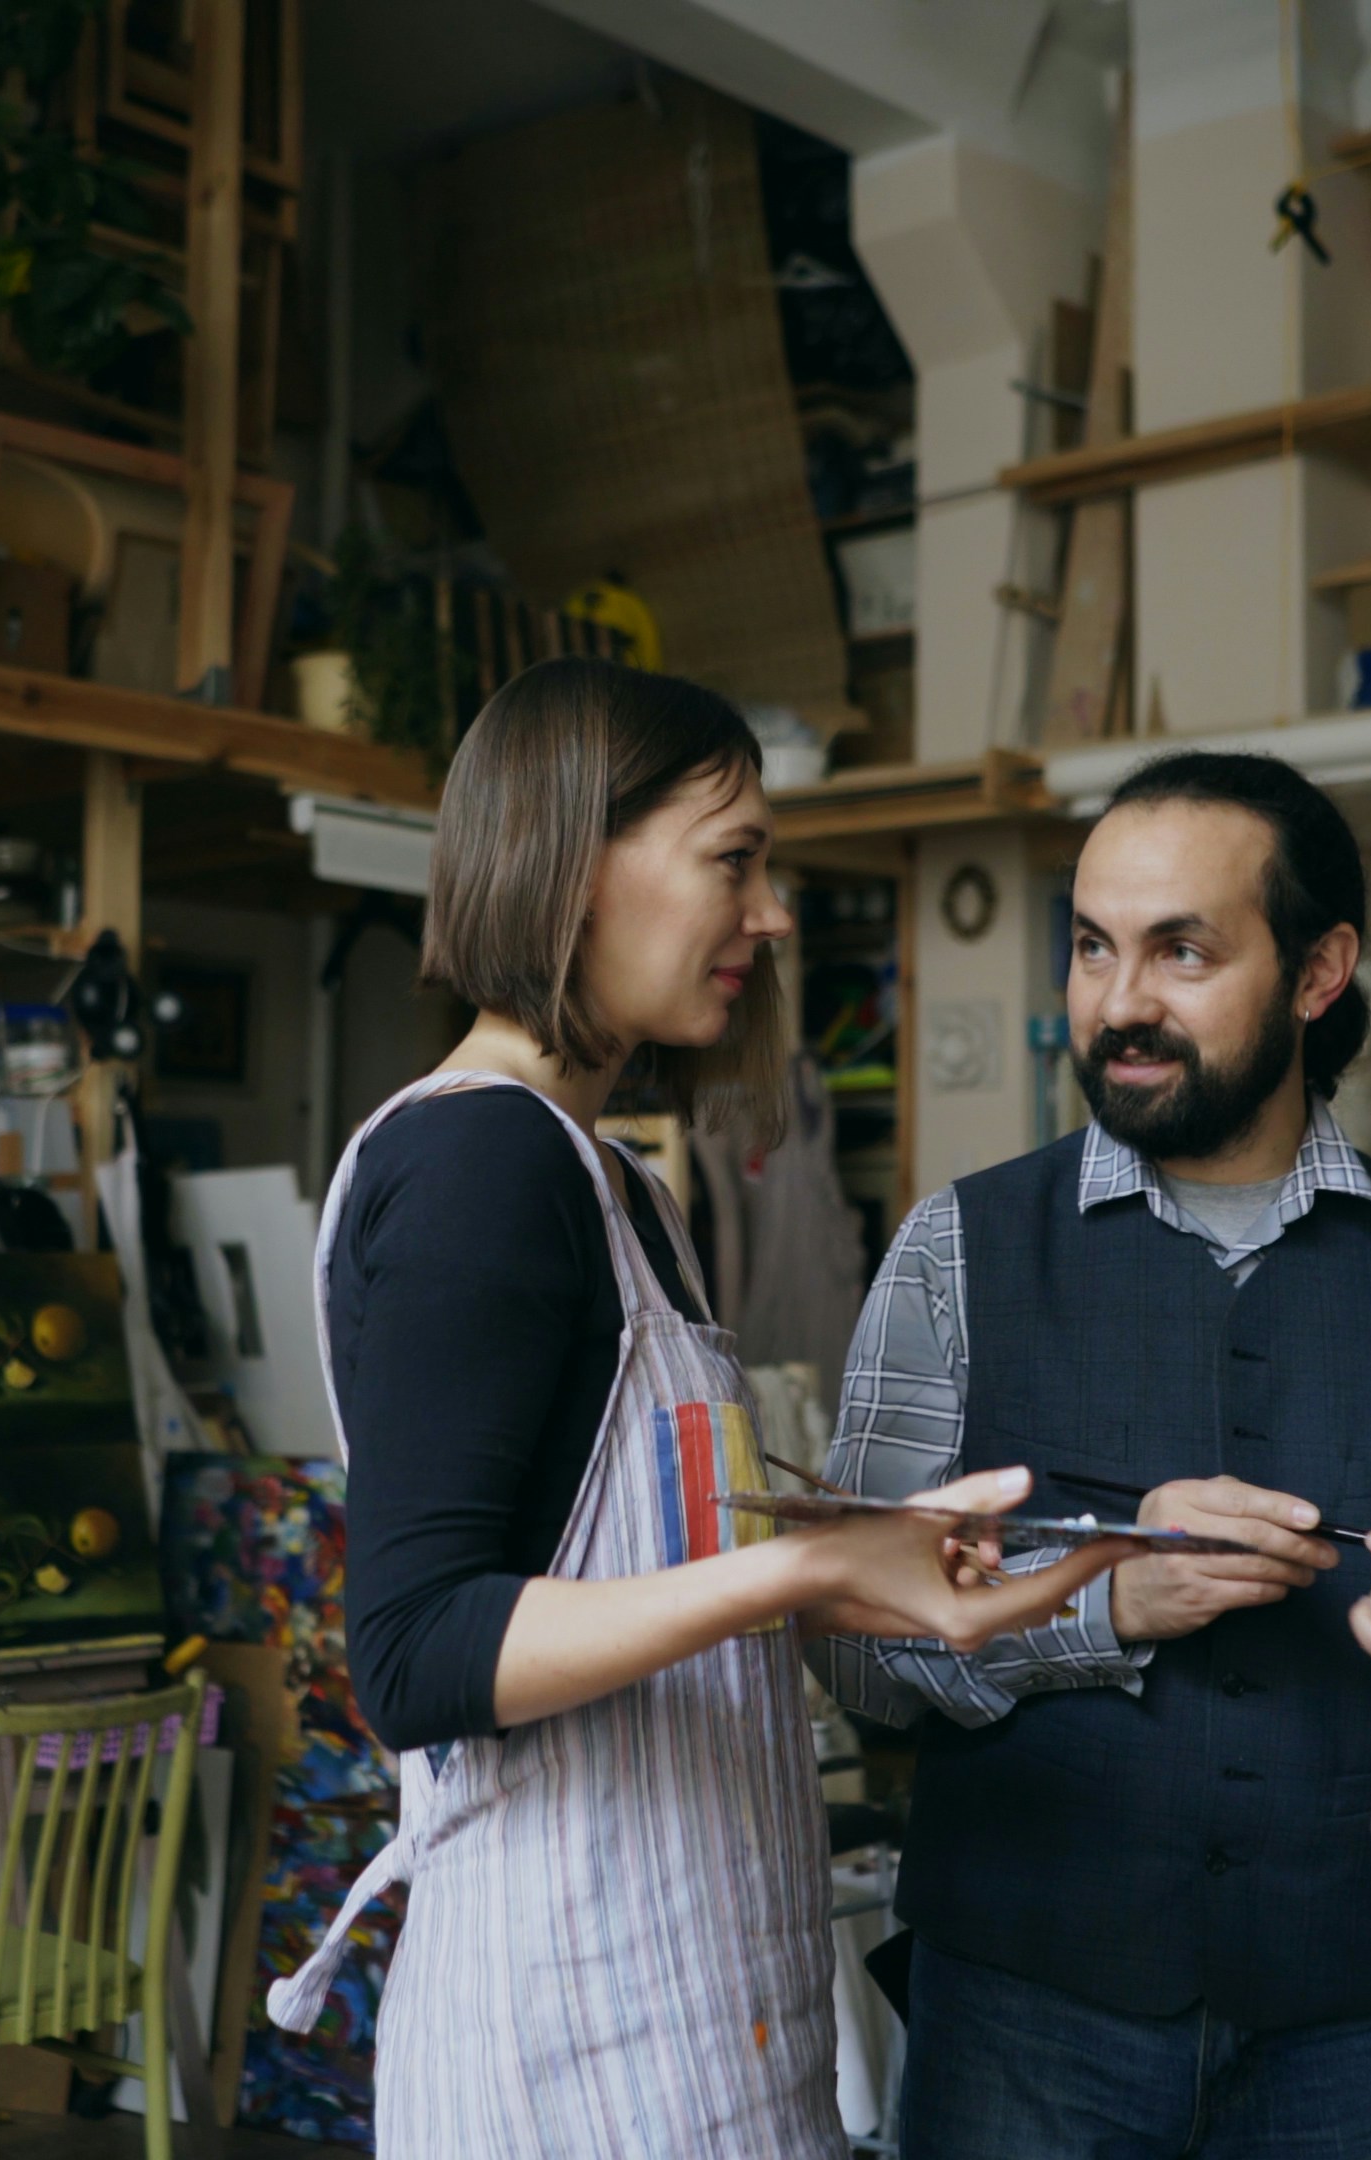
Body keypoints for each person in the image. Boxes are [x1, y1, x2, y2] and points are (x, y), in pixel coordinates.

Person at [269, 656, 1131, 2156]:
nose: (773, 914)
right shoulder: (482, 1165)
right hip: (565, 2041)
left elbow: (618, 1564)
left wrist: (877, 1569)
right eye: (734, 860)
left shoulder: (618, 1190)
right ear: (571, 863)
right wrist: (805, 1568)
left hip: (688, 2012)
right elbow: (413, 1652)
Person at [814, 750, 1371, 2160]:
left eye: (1183, 951)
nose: (1120, 1003)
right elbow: (850, 1647)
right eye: (1093, 947)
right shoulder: (953, 1253)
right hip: (1024, 2015)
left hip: (1349, 2024)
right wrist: (1095, 1604)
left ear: (1321, 970)